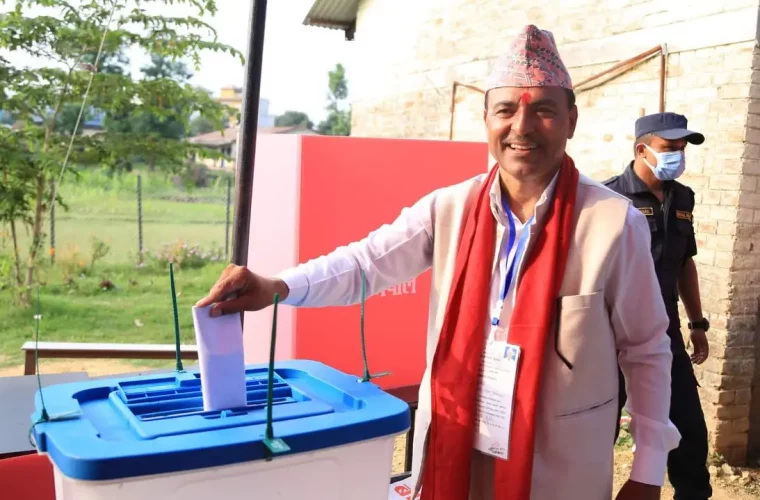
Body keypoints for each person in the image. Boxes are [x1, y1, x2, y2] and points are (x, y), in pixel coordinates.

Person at [197, 25, 680, 500]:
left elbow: (645, 349)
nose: (523, 127)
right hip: (458, 438)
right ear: (487, 118)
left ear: (572, 120)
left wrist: (647, 470)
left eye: (545, 111)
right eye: (506, 110)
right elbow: (366, 265)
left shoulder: (612, 223)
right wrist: (277, 286)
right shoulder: (449, 208)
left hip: (557, 462)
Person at [603, 112, 712, 499]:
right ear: (642, 149)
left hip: (664, 331)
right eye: (670, 149)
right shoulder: (609, 197)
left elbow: (685, 263)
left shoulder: (683, 197)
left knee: (688, 429)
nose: (678, 157)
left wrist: (698, 323)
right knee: (601, 430)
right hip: (609, 334)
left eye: (682, 149)